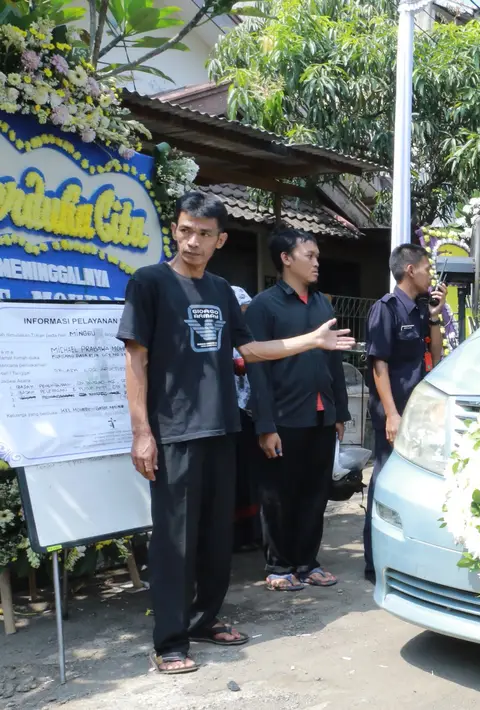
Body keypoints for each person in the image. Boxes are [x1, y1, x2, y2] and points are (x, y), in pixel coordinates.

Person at [117, 191, 354, 675]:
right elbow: (135, 359)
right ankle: (170, 640)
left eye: (204, 234)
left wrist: (310, 340)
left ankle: (205, 620)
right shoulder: (149, 283)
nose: (193, 241)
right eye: (185, 230)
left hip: (223, 427)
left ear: (221, 239)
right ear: (175, 229)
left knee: (214, 536)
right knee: (175, 540)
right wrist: (142, 432)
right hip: (174, 433)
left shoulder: (223, 291)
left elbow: (253, 351)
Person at [245, 228, 351, 592]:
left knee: (315, 494)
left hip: (320, 415)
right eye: (309, 255)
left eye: (317, 255)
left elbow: (333, 360)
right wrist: (265, 424)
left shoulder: (322, 304)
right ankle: (279, 565)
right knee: (278, 496)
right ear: (286, 259)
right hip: (283, 418)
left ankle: (308, 562)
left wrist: (339, 413)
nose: (316, 262)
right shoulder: (264, 306)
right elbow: (256, 368)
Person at [363, 243, 445, 584]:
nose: (430, 274)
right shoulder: (386, 309)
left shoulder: (421, 309)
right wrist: (392, 415)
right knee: (385, 478)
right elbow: (378, 364)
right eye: (427, 268)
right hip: (393, 410)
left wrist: (437, 317)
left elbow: (436, 357)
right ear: (410, 269)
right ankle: (373, 560)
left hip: (418, 410)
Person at [230, 286, 263, 553]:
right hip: (231, 416)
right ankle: (237, 536)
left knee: (252, 477)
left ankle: (254, 533)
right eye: (240, 310)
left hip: (252, 414)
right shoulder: (222, 338)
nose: (244, 314)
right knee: (237, 478)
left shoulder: (250, 335)